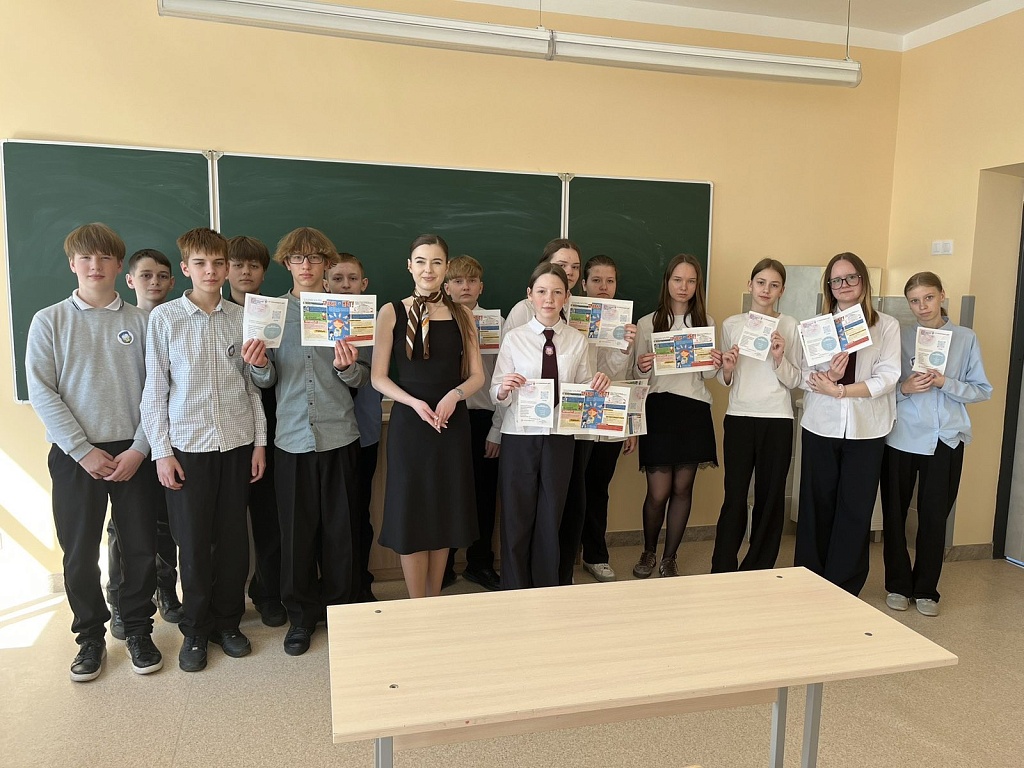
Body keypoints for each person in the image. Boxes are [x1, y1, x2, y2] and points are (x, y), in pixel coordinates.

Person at [26, 223, 163, 680]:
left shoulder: (143, 322)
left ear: (119, 265)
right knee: (79, 552)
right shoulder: (49, 320)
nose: (95, 265)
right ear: (72, 264)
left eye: (105, 257)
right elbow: (42, 391)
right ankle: (89, 638)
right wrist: (82, 450)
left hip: (133, 452)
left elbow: (158, 391)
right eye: (85, 257)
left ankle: (139, 630)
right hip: (74, 455)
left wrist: (140, 448)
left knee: (140, 548)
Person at [141, 227, 267, 672]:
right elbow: (155, 390)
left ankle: (228, 623)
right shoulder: (165, 318)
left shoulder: (243, 318)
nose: (210, 271)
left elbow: (252, 387)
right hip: (187, 448)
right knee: (192, 544)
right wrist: (162, 451)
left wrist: (259, 444)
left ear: (228, 268)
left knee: (233, 542)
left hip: (236, 443)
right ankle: (195, 630)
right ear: (185, 268)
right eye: (201, 263)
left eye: (218, 263)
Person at [250, 228, 368, 655]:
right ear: (286, 264)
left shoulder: (346, 311)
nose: (306, 266)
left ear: (327, 264)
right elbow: (266, 381)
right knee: (296, 536)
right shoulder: (269, 312)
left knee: (342, 533)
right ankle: (300, 618)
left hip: (339, 436)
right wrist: (259, 366)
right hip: (292, 439)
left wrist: (347, 368)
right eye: (298, 259)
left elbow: (362, 378)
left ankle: (341, 613)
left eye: (315, 258)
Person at [371, 234, 484, 598]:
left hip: (451, 422)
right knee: (413, 511)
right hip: (411, 423)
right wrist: (414, 403)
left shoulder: (463, 315)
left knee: (444, 510)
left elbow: (477, 375)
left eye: (436, 262)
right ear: (410, 266)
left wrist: (455, 395)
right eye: (421, 261)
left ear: (446, 267)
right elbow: (378, 377)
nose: (428, 269)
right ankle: (416, 602)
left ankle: (434, 600)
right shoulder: (391, 312)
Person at [491, 262, 609, 590]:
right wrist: (503, 388)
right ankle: (514, 587)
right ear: (530, 295)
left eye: (557, 292)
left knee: (551, 514)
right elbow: (495, 390)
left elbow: (584, 387)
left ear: (567, 297)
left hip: (560, 437)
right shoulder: (514, 338)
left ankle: (545, 588)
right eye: (542, 291)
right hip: (520, 436)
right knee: (517, 515)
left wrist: (597, 385)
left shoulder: (576, 340)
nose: (549, 299)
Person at [881, 272, 991, 616]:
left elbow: (982, 390)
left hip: (946, 439)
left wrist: (946, 383)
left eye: (928, 297)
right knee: (895, 514)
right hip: (902, 436)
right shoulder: (900, 337)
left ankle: (927, 588)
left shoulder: (965, 338)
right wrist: (904, 389)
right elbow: (882, 387)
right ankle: (898, 584)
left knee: (934, 517)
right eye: (914, 301)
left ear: (942, 295)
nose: (922, 306)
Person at [794, 252, 900, 596]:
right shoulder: (815, 326)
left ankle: (844, 586)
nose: (844, 285)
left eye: (851, 277)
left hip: (867, 429)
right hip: (821, 425)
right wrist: (828, 376)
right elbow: (803, 373)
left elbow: (888, 376)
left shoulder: (886, 326)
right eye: (836, 280)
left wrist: (841, 390)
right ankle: (810, 578)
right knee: (817, 503)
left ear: (863, 281)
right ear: (829, 286)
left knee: (855, 507)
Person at [106, 248, 182, 638]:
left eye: (162, 276)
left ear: (173, 281)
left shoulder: (176, 321)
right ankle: (120, 600)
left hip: (169, 441)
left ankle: (165, 590)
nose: (155, 282)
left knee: (165, 522)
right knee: (123, 527)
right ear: (130, 279)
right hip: (130, 443)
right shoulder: (122, 323)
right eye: (146, 275)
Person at [632, 254, 722, 579]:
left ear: (697, 285)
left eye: (691, 281)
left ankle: (670, 557)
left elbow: (708, 375)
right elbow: (638, 376)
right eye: (678, 280)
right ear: (667, 282)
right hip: (658, 410)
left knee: (683, 490)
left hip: (693, 410)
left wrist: (715, 361)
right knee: (658, 492)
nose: (684, 287)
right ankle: (649, 550)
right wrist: (641, 366)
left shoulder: (706, 321)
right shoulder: (647, 323)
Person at [711, 259, 801, 573]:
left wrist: (779, 358)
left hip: (777, 418)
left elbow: (796, 378)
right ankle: (722, 567)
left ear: (782, 291)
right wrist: (728, 368)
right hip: (739, 416)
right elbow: (725, 379)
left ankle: (759, 567)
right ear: (750, 285)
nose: (766, 290)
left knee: (770, 496)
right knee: (735, 495)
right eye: (761, 283)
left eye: (774, 285)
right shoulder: (732, 324)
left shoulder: (790, 325)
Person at [225, 235, 287, 628]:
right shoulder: (213, 312)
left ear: (264, 272)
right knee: (227, 524)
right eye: (237, 264)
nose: (245, 272)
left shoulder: (278, 312)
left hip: (274, 426)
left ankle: (268, 593)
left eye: (254, 265)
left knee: (270, 519)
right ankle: (226, 602)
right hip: (227, 429)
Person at [441, 255, 503, 592]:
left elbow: (506, 378)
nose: (465, 287)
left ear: (481, 286)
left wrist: (497, 428)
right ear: (446, 286)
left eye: (472, 281)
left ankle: (480, 563)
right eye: (458, 281)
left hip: (483, 418)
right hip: (446, 418)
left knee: (484, 494)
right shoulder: (436, 321)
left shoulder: (498, 323)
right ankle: (445, 563)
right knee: (449, 492)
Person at [575, 255, 638, 583]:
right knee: (572, 490)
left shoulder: (626, 325)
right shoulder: (569, 318)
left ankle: (596, 555)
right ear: (583, 283)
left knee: (598, 489)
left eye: (609, 281)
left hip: (610, 421)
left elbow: (624, 378)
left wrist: (625, 347)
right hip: (575, 420)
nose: (603, 287)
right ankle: (564, 559)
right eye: (596, 280)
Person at [325, 253, 383, 602]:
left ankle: (360, 582)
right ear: (325, 284)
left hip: (364, 433)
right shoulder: (313, 322)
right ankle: (331, 586)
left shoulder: (378, 324)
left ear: (364, 285)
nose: (345, 285)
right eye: (337, 279)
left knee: (359, 511)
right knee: (330, 516)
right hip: (327, 436)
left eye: (352, 279)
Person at [503, 238, 582, 331]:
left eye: (575, 267)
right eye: (561, 265)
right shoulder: (524, 310)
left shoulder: (581, 308)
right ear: (545, 266)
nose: (570, 272)